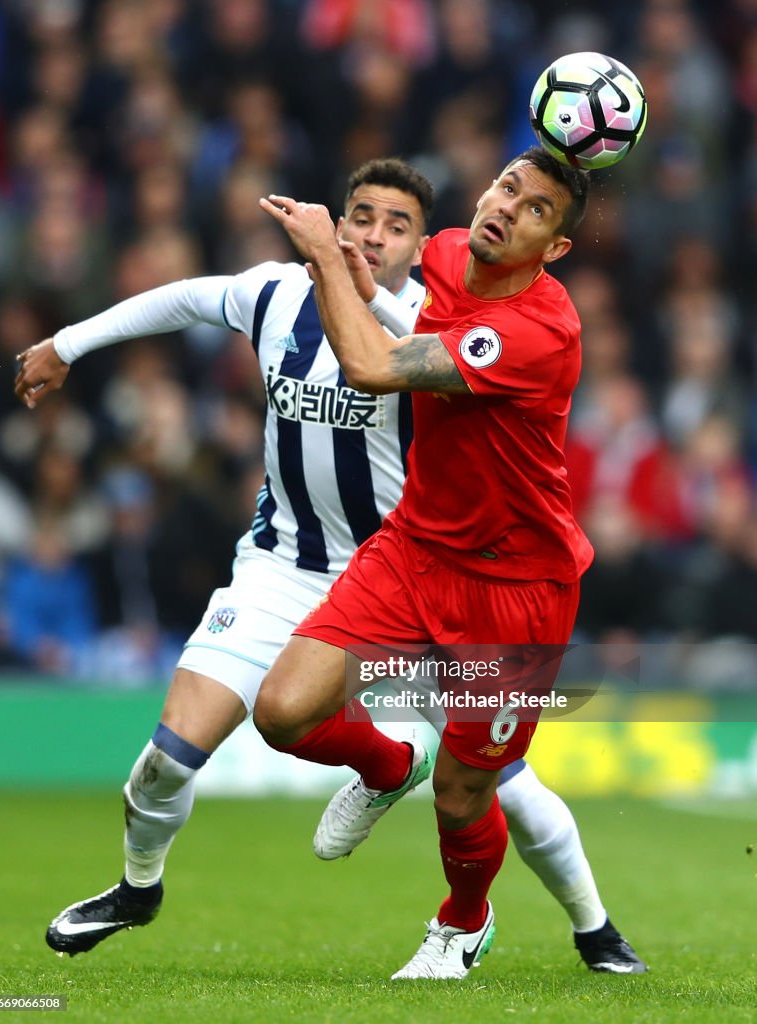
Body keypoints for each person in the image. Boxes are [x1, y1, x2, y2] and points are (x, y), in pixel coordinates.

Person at [15, 157, 643, 974]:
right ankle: (156, 879)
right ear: (339, 219)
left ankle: (590, 928)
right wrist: (68, 341)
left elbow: (377, 363)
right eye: (362, 216)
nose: (374, 235)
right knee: (172, 756)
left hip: (452, 573)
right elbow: (184, 298)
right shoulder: (276, 292)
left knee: (495, 785)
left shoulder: (434, 318)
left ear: (423, 249)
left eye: (397, 225)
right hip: (302, 567)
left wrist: (334, 272)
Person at [253, 147, 646, 980]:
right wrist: (356, 267)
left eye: (536, 208)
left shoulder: (539, 332)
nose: (506, 207)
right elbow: (385, 299)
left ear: (556, 247)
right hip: (415, 547)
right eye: (507, 185)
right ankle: (386, 762)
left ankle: (463, 920)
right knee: (282, 711)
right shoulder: (446, 253)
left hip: (517, 588)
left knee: (470, 791)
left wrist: (325, 252)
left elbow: (370, 368)